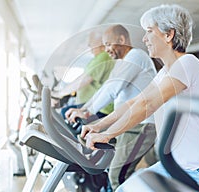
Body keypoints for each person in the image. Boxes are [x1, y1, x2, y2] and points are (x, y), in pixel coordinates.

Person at [80, 4, 199, 192]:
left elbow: (148, 104)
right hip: (177, 167)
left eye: (149, 31)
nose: (144, 38)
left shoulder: (187, 63)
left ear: (168, 35)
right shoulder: (165, 72)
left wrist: (107, 134)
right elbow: (134, 102)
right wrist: (99, 125)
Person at [66, 24, 157, 191]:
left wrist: (86, 112)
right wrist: (85, 109)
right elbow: (106, 87)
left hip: (142, 126)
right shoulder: (124, 62)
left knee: (117, 174)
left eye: (108, 44)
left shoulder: (136, 56)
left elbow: (113, 89)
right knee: (107, 167)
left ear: (121, 40)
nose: (106, 49)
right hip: (128, 125)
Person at [52, 30, 115, 119]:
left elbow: (85, 79)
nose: (89, 46)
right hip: (95, 104)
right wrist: (62, 93)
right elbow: (82, 78)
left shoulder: (103, 56)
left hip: (102, 108)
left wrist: (60, 94)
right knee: (66, 112)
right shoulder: (99, 57)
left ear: (100, 42)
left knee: (66, 112)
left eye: (91, 43)